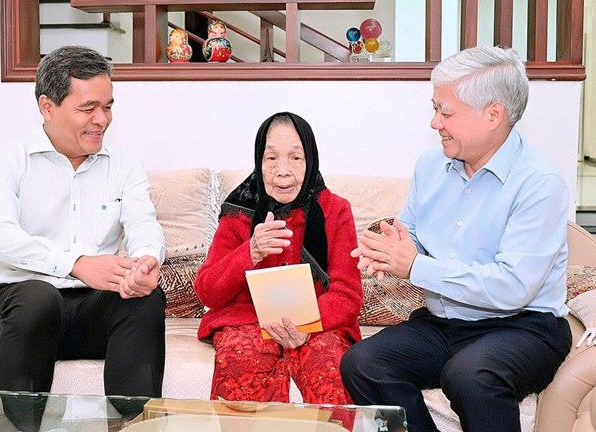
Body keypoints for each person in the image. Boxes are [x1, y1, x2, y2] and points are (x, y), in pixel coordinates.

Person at [341, 46, 572, 432]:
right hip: (445, 322)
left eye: (446, 112)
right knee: (363, 363)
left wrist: (416, 266)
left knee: (470, 376)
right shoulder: (430, 167)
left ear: (493, 115)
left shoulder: (540, 184)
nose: (435, 123)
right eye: (435, 109)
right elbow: (412, 233)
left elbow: (513, 287)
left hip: (523, 327)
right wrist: (391, 249)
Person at [0, 46, 166, 401]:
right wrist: (76, 264)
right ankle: (18, 426)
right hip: (20, 309)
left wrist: (146, 260)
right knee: (38, 298)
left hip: (91, 309)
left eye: (107, 107)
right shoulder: (5, 161)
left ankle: (135, 424)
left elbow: (143, 223)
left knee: (143, 298)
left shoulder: (124, 165)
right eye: (87, 108)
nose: (101, 120)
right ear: (47, 107)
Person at [194, 112, 363, 404]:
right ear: (259, 162)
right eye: (271, 158)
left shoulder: (335, 210)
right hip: (247, 322)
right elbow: (208, 291)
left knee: (326, 363)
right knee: (240, 359)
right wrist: (250, 251)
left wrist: (305, 325)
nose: (282, 171)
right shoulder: (239, 211)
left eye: (295, 158)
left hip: (316, 323)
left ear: (310, 160)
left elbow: (347, 294)